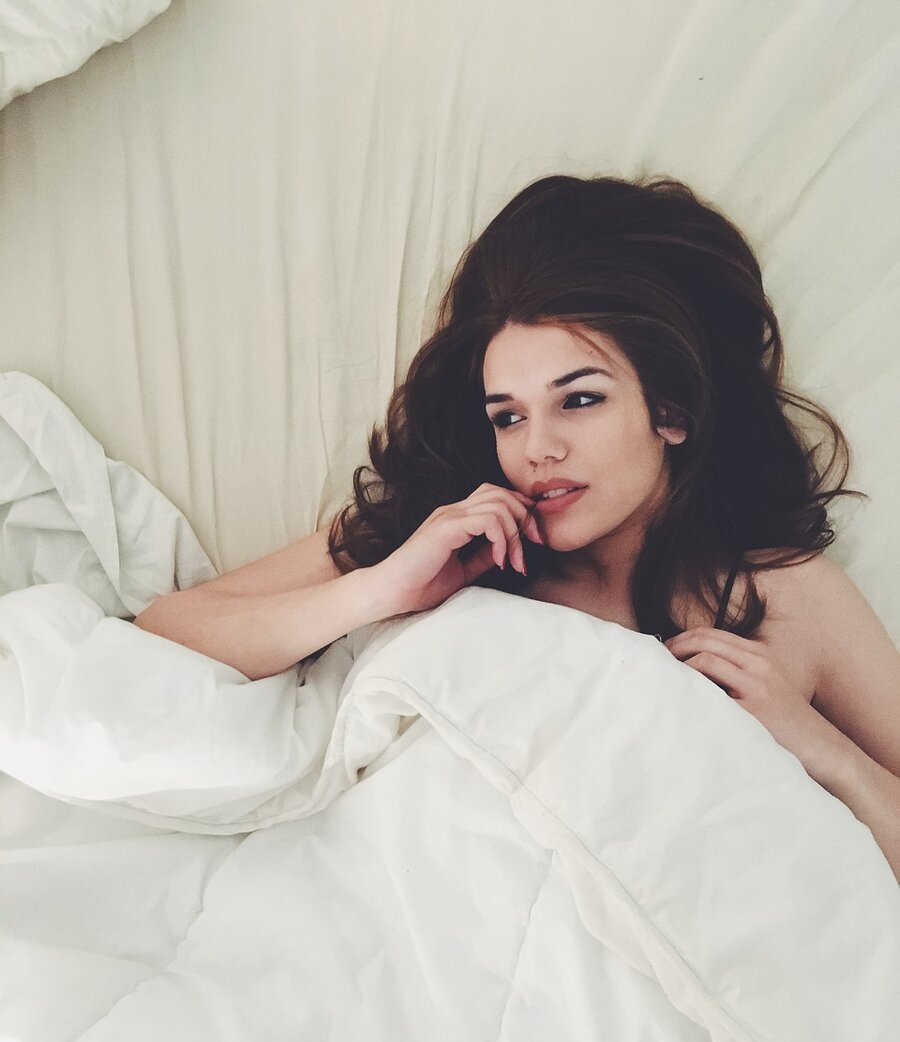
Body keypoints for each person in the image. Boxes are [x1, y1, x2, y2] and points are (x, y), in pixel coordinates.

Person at [135, 174, 900, 878]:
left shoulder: (790, 594)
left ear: (670, 410)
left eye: (580, 400)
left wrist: (823, 750)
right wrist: (377, 590)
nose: (538, 449)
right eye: (508, 416)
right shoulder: (447, 538)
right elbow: (166, 635)